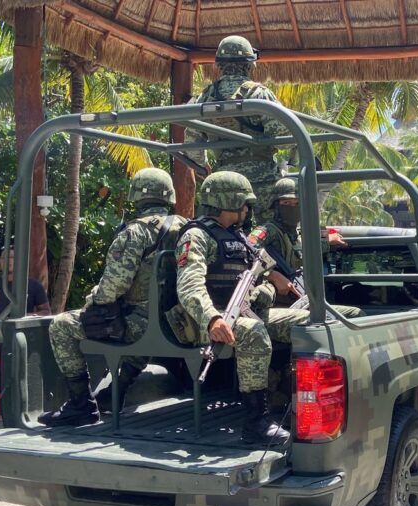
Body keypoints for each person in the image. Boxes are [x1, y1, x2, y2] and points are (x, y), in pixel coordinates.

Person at [38, 168, 186, 427]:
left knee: (61, 325)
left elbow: (111, 289)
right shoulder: (187, 228)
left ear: (137, 196)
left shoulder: (135, 232)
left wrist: (91, 299)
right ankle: (113, 394)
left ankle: (81, 405)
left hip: (142, 327)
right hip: (180, 324)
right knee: (138, 325)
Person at [172, 171, 304, 443]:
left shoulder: (237, 236)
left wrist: (269, 282)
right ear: (228, 202)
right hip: (200, 320)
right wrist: (212, 319)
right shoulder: (197, 236)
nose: (247, 209)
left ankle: (294, 398)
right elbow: (190, 287)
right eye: (244, 203)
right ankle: (256, 421)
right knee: (254, 332)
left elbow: (260, 268)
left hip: (242, 312)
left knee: (309, 321)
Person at [185, 35, 287, 225]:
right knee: (273, 234)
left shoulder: (205, 97)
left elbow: (192, 142)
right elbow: (285, 136)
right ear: (249, 64)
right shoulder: (259, 94)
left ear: (219, 64)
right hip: (262, 182)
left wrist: (203, 164)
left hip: (224, 184)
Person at [247, 177, 362, 317]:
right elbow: (246, 251)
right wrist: (271, 275)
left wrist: (327, 243)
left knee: (354, 314)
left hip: (302, 299)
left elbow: (303, 251)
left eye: (297, 203)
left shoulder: (298, 233)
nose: (292, 207)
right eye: (286, 202)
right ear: (275, 205)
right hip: (277, 304)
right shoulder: (268, 230)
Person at [0, 248, 50, 335]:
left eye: (11, 257)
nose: (7, 260)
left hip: (23, 338)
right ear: (0, 262)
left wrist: (27, 316)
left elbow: (46, 313)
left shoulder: (34, 285)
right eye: (4, 258)